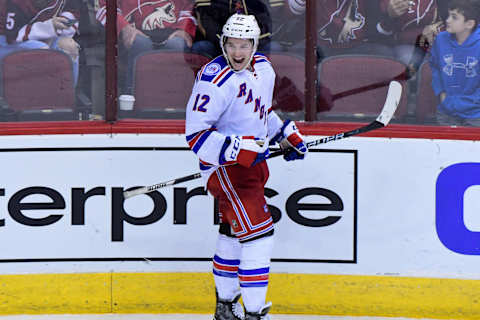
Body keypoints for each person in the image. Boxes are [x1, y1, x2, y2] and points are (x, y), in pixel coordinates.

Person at [185, 13, 307, 320]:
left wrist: (284, 133)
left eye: (244, 45)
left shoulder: (264, 69)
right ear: (223, 43)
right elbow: (196, 135)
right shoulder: (213, 80)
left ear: (255, 44)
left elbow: (261, 112)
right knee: (259, 236)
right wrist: (238, 149)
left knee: (232, 232)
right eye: (232, 44)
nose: (238, 52)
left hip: (250, 167)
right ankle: (254, 313)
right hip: (225, 169)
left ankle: (226, 306)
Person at [96, 0, 197, 94]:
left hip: (173, 33)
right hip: (132, 33)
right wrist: (123, 28)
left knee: (177, 45)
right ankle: (132, 102)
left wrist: (183, 29)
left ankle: (174, 103)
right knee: (140, 44)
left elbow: (189, 7)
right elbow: (105, 8)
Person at [4, 0, 81, 85]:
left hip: (43, 34)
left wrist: (59, 26)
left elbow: (72, 12)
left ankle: (66, 94)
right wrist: (48, 27)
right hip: (7, 41)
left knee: (69, 47)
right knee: (43, 51)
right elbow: (12, 35)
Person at [429, 0, 480, 126]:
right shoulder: (441, 39)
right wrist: (441, 93)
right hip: (446, 111)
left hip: (475, 114)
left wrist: (472, 102)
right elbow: (435, 68)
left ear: (469, 23)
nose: (447, 20)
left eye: (454, 17)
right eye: (449, 15)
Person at [376, 0, 444, 75]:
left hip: (433, 44)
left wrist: (436, 30)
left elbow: (452, 19)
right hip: (401, 44)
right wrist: (389, 16)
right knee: (410, 63)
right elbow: (377, 33)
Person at [192, 0, 279, 58]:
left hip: (255, 44)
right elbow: (208, 22)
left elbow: (267, 21)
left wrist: (247, 45)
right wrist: (230, 44)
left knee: (274, 48)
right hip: (220, 45)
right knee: (200, 47)